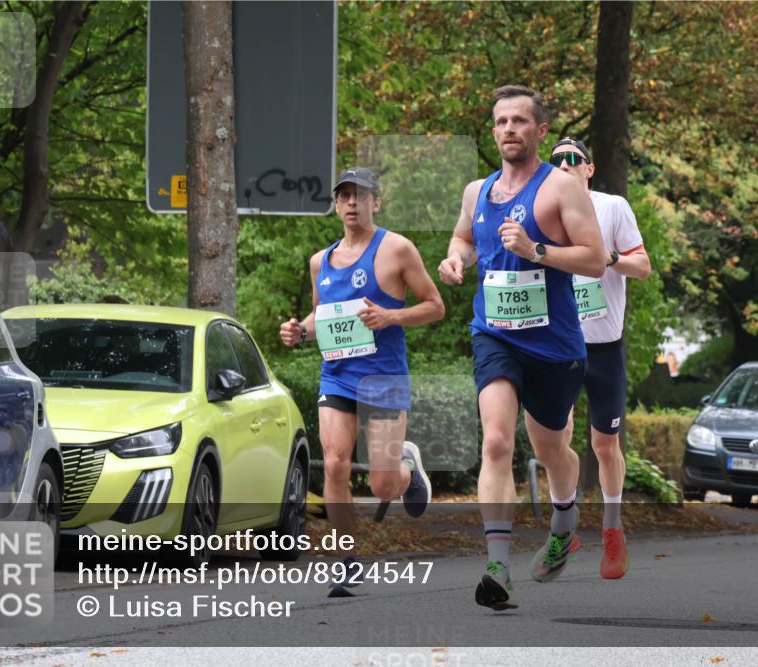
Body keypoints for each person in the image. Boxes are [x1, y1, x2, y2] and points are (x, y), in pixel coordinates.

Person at [438, 86, 607, 610]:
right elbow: (464, 238)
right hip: (494, 334)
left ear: (538, 131)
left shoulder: (561, 189)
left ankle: (563, 521)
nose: (508, 129)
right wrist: (456, 260)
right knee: (495, 442)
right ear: (493, 130)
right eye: (500, 121)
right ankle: (497, 567)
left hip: (553, 344)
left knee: (552, 448)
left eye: (519, 121)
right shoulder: (477, 191)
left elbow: (596, 259)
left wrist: (536, 250)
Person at [279, 167, 445, 597]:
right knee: (334, 463)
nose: (353, 202)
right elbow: (322, 316)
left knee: (382, 485)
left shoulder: (397, 250)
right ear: (336, 205)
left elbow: (435, 306)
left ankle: (408, 468)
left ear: (377, 201)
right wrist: (300, 331)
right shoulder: (321, 261)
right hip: (337, 374)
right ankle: (347, 561)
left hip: (384, 378)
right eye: (345, 196)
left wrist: (391, 316)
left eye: (361, 194)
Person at [550, 137, 652, 580]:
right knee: (557, 441)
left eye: (575, 159)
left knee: (604, 446)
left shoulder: (612, 207)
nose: (567, 164)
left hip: (604, 347)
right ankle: (565, 527)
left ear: (589, 169)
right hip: (558, 347)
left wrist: (608, 258)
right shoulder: (543, 214)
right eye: (557, 161)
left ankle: (612, 526)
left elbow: (643, 266)